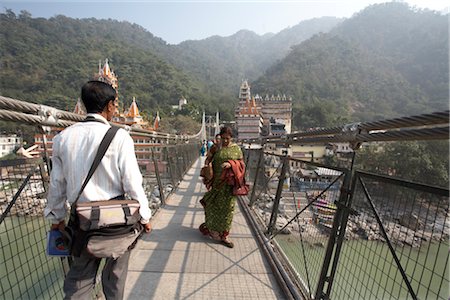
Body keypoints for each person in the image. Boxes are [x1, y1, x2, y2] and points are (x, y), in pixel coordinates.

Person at [44, 80, 152, 300]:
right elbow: (133, 182)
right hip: (119, 223)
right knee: (115, 277)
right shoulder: (120, 136)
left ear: (84, 105)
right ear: (110, 105)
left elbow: (57, 184)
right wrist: (145, 215)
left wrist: (56, 218)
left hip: (83, 223)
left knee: (80, 281)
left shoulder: (62, 138)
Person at [199, 127, 244, 248]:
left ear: (231, 138)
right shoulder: (216, 147)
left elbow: (241, 164)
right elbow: (208, 159)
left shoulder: (236, 149)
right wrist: (208, 166)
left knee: (228, 209)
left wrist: (231, 164)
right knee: (213, 206)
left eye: (227, 139)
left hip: (229, 185)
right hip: (216, 183)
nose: (225, 141)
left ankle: (224, 235)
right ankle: (212, 229)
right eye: (223, 138)